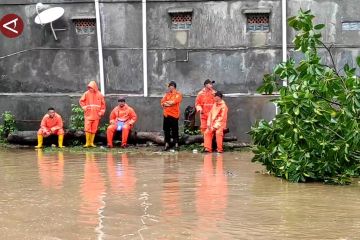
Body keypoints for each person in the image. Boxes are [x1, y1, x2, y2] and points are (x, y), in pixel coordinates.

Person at [79, 81, 106, 148]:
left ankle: (91, 143)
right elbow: (81, 101)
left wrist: (101, 112)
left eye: (91, 87)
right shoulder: (86, 93)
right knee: (87, 128)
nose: (90, 89)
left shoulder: (100, 94)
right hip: (88, 114)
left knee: (94, 129)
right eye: (89, 87)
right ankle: (87, 143)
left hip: (96, 115)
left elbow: (103, 105)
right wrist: (85, 107)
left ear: (95, 87)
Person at [161, 81, 183, 151]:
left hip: (174, 115)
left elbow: (174, 102)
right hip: (166, 115)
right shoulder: (166, 94)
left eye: (170, 86)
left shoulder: (178, 94)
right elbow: (162, 102)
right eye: (169, 86)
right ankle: (167, 143)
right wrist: (166, 103)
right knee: (166, 130)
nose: (169, 87)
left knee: (175, 130)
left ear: (173, 86)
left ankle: (176, 143)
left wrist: (168, 103)